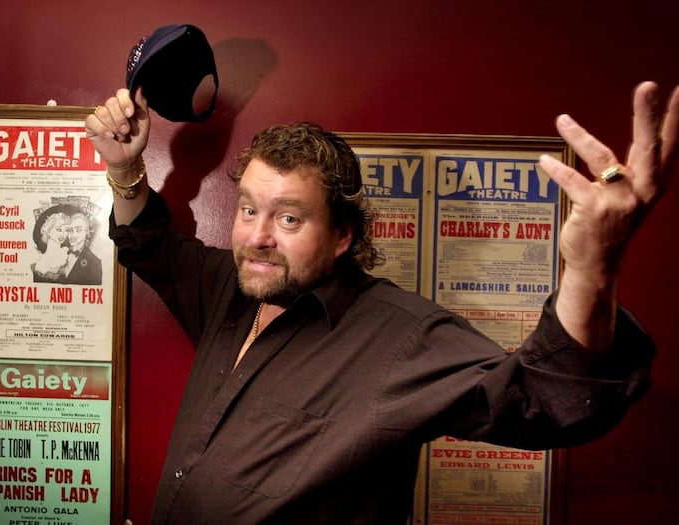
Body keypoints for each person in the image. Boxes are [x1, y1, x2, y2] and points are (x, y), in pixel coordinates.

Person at [86, 81, 679, 524]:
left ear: (342, 235)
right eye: (248, 209)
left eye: (289, 218)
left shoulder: (402, 337)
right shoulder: (228, 287)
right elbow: (149, 244)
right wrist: (126, 166)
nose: (257, 237)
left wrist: (593, 266)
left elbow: (544, 401)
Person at [62, 210, 103, 285]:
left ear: (87, 233)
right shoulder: (61, 254)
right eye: (70, 230)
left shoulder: (94, 262)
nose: (73, 235)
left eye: (78, 230)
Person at [32, 208, 70, 283]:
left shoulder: (66, 251)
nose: (63, 234)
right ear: (48, 230)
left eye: (66, 230)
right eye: (58, 229)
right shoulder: (41, 265)